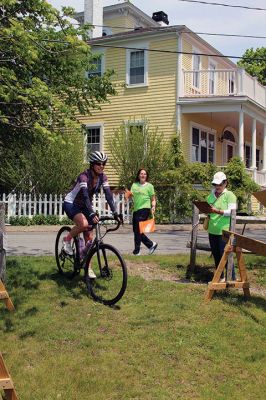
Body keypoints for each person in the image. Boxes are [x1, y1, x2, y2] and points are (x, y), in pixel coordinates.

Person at [63, 151, 120, 278]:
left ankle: (87, 265)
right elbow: (84, 195)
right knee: (83, 224)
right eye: (99, 164)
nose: (102, 166)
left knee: (90, 237)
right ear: (92, 164)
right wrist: (92, 212)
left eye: (103, 163)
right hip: (71, 203)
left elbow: (109, 196)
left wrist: (115, 212)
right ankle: (67, 240)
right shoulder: (84, 177)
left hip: (85, 205)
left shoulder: (102, 177)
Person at [207, 171, 237, 281]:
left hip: (225, 230)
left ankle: (231, 279)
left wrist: (218, 211)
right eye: (216, 184)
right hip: (212, 229)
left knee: (226, 255)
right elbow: (208, 210)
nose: (217, 187)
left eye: (220, 184)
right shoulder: (210, 196)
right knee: (216, 255)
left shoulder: (230, 195)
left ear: (225, 183)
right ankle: (220, 277)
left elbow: (232, 212)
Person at [126, 168, 158, 256]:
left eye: (144, 174)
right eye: (141, 173)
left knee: (138, 229)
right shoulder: (134, 185)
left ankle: (137, 251)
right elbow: (131, 196)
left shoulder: (150, 186)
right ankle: (151, 245)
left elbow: (153, 199)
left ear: (146, 176)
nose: (143, 175)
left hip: (145, 209)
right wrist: (128, 195)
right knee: (136, 230)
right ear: (139, 175)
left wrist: (153, 206)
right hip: (136, 210)